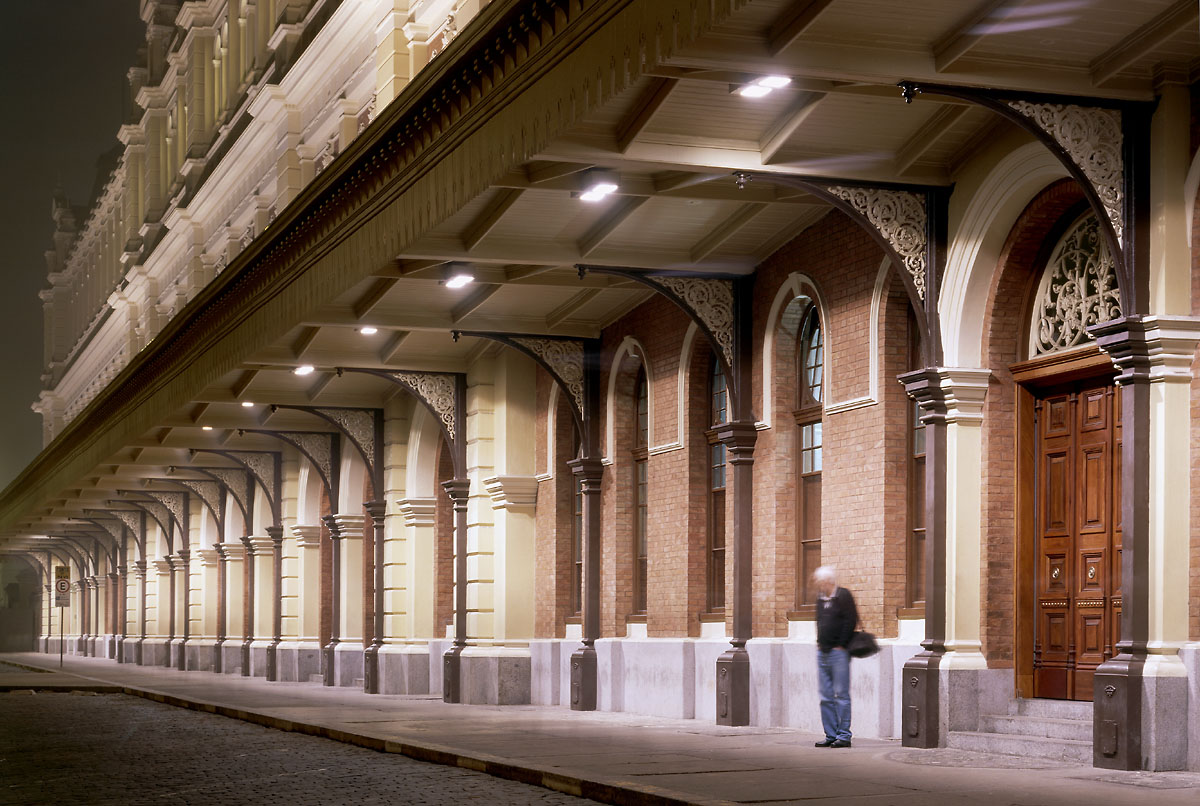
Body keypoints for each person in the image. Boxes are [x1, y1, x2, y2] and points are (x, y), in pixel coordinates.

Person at [813, 565, 856, 748]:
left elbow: (851, 620)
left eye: (819, 581)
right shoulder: (820, 599)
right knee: (825, 696)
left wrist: (841, 644)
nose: (817, 584)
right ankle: (830, 734)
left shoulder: (843, 596)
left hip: (838, 653)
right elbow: (819, 620)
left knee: (841, 695)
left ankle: (844, 735)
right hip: (822, 652)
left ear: (827, 581)